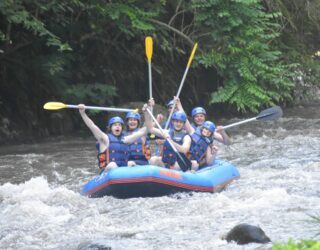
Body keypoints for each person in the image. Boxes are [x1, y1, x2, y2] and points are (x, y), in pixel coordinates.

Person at [78, 104, 147, 173]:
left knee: (131, 163)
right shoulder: (104, 139)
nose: (117, 127)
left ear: (122, 128)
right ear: (110, 128)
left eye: (119, 125)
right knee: (112, 165)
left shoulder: (126, 139)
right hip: (108, 172)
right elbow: (92, 125)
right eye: (115, 125)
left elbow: (144, 131)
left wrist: (146, 112)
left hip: (123, 172)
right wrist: (83, 113)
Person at [144, 101, 192, 171]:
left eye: (180, 122)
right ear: (173, 122)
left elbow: (184, 150)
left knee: (177, 166)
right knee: (154, 159)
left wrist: (171, 141)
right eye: (176, 121)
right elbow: (150, 128)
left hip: (177, 164)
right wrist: (147, 112)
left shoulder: (186, 137)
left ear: (184, 123)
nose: (178, 124)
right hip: (165, 162)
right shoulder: (167, 132)